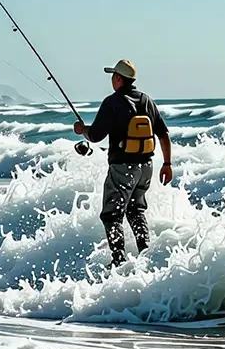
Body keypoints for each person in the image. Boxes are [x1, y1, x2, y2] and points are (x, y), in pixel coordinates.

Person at [73, 59, 172, 267]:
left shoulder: (112, 102)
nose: (112, 80)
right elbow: (163, 135)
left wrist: (83, 130)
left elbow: (96, 136)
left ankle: (118, 260)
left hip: (122, 168)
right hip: (146, 167)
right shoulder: (147, 101)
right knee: (136, 211)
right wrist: (167, 164)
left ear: (118, 78)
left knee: (111, 215)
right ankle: (146, 254)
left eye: (112, 76)